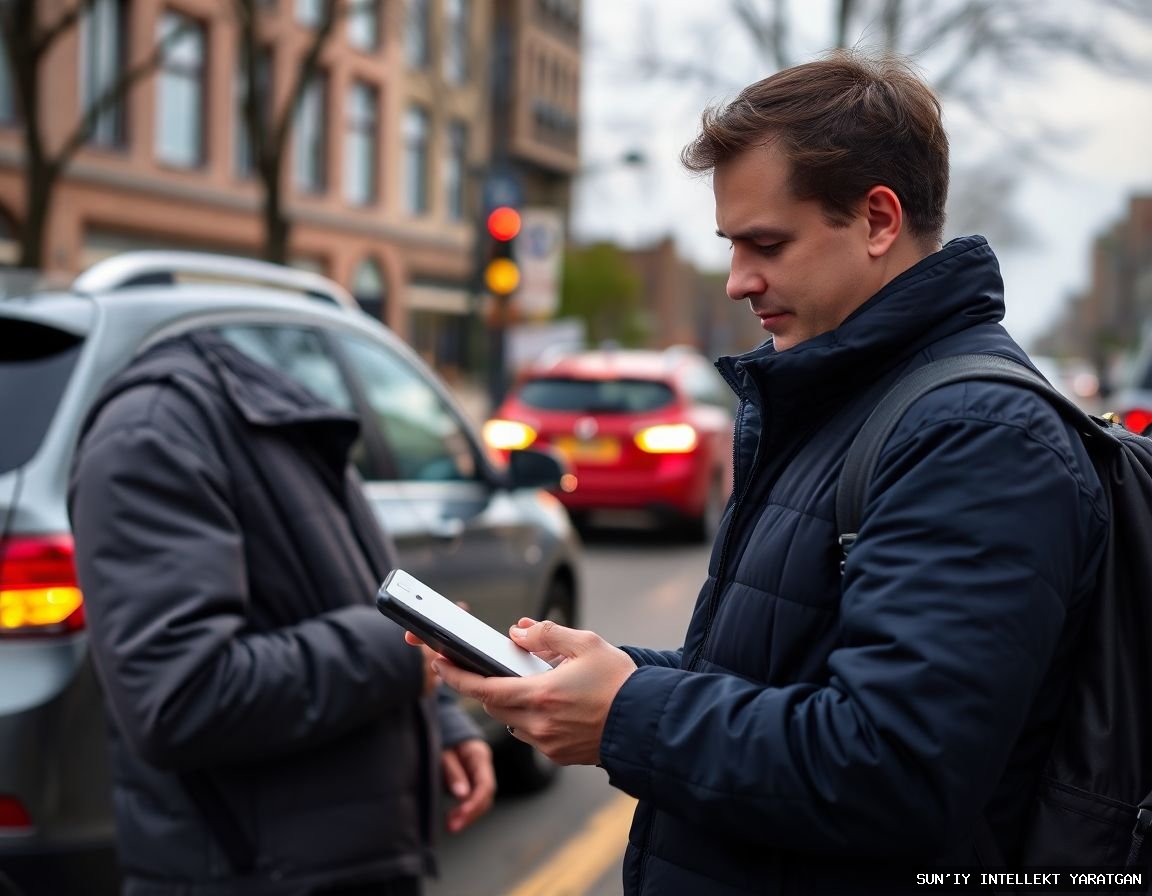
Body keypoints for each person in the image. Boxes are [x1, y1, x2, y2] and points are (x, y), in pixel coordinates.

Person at [425, 51, 1109, 894]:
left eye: (767, 244)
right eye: (731, 244)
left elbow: (897, 768)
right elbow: (774, 676)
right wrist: (612, 673)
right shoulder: (843, 399)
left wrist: (625, 714)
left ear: (879, 220)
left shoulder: (977, 436)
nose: (739, 279)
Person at [68, 329, 495, 896]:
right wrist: (398, 660)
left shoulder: (284, 423)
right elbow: (178, 695)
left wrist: (439, 718)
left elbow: (349, 596)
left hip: (341, 861)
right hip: (251, 874)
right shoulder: (153, 434)